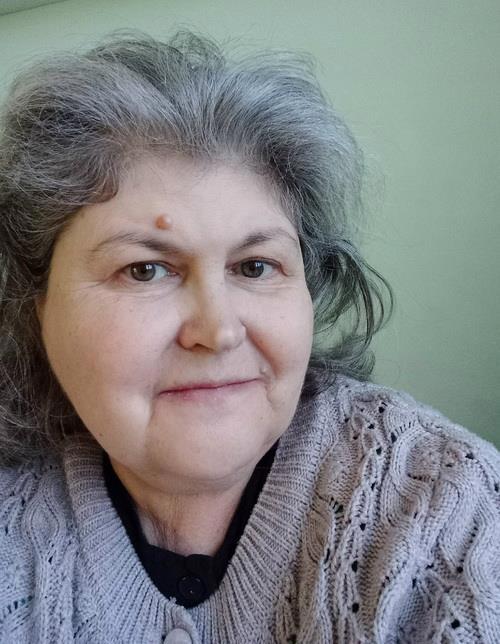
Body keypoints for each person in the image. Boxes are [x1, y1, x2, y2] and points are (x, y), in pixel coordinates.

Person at [0, 30, 498, 644]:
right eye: (145, 270)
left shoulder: (450, 507)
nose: (218, 331)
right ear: (36, 309)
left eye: (256, 266)